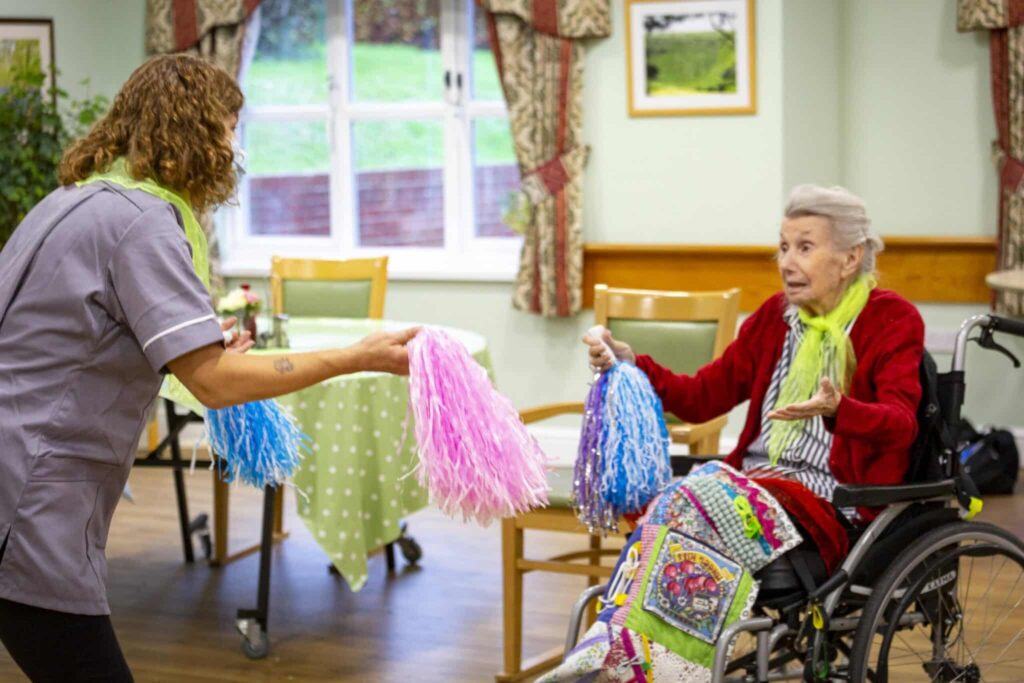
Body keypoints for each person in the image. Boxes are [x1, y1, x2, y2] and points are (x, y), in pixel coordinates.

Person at [0, 55, 416, 682]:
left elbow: (85, 332)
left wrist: (193, 344)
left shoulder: (72, 201)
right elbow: (213, 382)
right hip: (28, 496)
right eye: (227, 129)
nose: (233, 147)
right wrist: (356, 358)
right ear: (192, 134)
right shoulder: (143, 223)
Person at [584, 184, 925, 568]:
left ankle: (634, 623)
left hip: (830, 500)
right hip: (753, 484)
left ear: (850, 259)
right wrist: (633, 364)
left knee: (682, 510)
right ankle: (634, 623)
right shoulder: (774, 318)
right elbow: (701, 397)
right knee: (661, 506)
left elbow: (901, 425)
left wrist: (839, 409)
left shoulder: (890, 319)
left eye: (805, 248)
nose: (787, 263)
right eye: (783, 247)